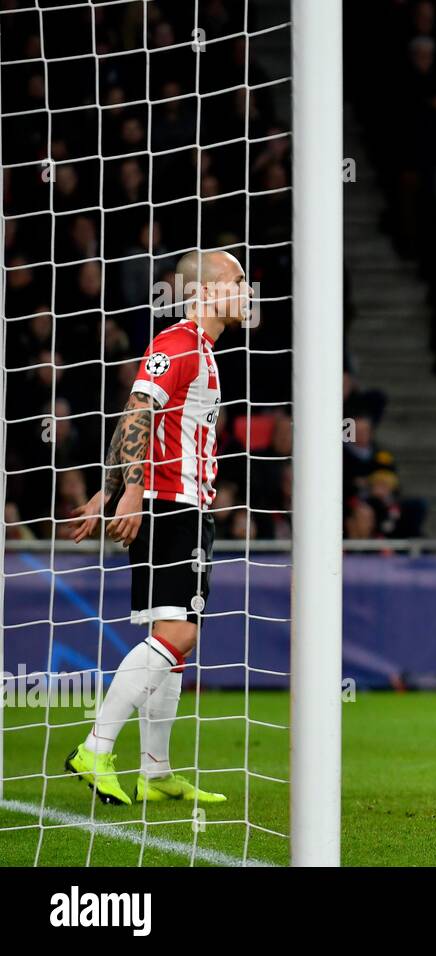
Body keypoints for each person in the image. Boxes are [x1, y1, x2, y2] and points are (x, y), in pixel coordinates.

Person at [64, 250, 246, 806]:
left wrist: (109, 489)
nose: (247, 291)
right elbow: (139, 408)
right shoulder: (180, 344)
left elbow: (136, 413)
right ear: (209, 290)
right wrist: (134, 492)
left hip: (168, 505)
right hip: (172, 508)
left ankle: (157, 769)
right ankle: (95, 748)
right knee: (179, 635)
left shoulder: (206, 352)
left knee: (174, 639)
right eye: (239, 281)